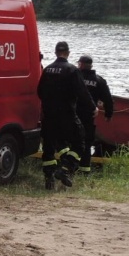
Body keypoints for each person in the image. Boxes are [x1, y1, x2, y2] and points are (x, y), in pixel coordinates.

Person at [37, 41, 95, 189]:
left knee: (49, 147)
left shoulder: (48, 70)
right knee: (80, 141)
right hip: (67, 114)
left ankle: (49, 180)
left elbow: (40, 91)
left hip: (49, 115)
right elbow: (82, 92)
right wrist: (92, 107)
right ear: (68, 53)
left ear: (56, 52)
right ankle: (65, 169)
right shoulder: (72, 70)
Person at [75, 55, 114, 173]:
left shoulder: (75, 78)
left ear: (80, 64)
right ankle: (85, 170)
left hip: (73, 114)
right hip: (89, 115)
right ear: (91, 65)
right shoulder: (99, 80)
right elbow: (108, 99)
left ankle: (70, 167)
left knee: (71, 141)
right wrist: (108, 114)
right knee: (87, 143)